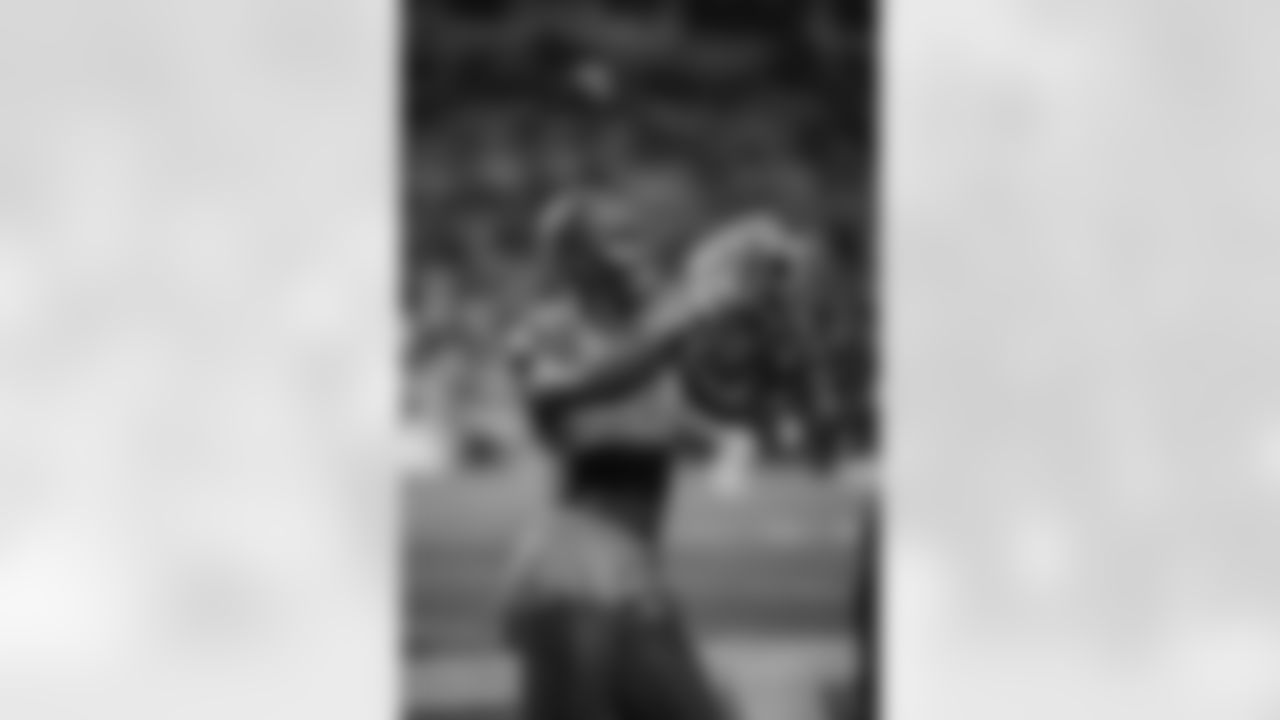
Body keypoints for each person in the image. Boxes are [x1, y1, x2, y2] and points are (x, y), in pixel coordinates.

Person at [497, 182, 739, 720]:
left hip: (637, 572)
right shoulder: (540, 333)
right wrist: (683, 324)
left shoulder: (656, 334)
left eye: (637, 236)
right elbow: (567, 394)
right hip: (573, 572)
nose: (638, 251)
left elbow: (683, 416)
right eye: (617, 239)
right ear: (573, 260)